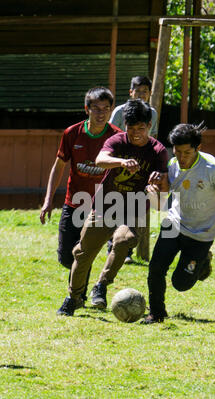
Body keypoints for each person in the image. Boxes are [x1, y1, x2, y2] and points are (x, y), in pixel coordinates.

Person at [57, 99, 169, 316]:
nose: (136, 133)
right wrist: (121, 162)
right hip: (106, 205)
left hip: (135, 208)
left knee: (124, 240)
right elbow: (100, 159)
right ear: (125, 126)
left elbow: (162, 194)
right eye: (131, 128)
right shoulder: (117, 141)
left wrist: (157, 185)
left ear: (149, 127)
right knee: (82, 253)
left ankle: (101, 285)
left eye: (141, 128)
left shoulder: (158, 151)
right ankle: (74, 297)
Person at [142, 122, 215, 324]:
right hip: (175, 223)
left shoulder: (213, 169)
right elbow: (163, 199)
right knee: (156, 267)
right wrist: (153, 190)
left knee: (180, 283)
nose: (181, 158)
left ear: (198, 148)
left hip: (201, 234)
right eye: (177, 152)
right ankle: (156, 313)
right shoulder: (172, 165)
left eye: (186, 152)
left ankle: (203, 260)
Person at [40, 87, 121, 301]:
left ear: (111, 110)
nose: (101, 113)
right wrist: (48, 200)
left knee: (85, 251)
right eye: (96, 108)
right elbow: (58, 166)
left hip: (102, 206)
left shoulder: (116, 137)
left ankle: (78, 296)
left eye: (106, 108)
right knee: (67, 257)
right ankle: (81, 287)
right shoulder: (72, 133)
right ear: (87, 109)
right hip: (74, 203)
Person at [108, 75, 158, 263]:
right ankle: (111, 245)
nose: (141, 95)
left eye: (145, 92)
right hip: (120, 163)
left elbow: (152, 138)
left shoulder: (152, 113)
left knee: (134, 205)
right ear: (131, 92)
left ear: (150, 94)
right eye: (138, 91)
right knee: (114, 204)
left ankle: (126, 250)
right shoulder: (120, 111)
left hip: (141, 165)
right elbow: (111, 135)